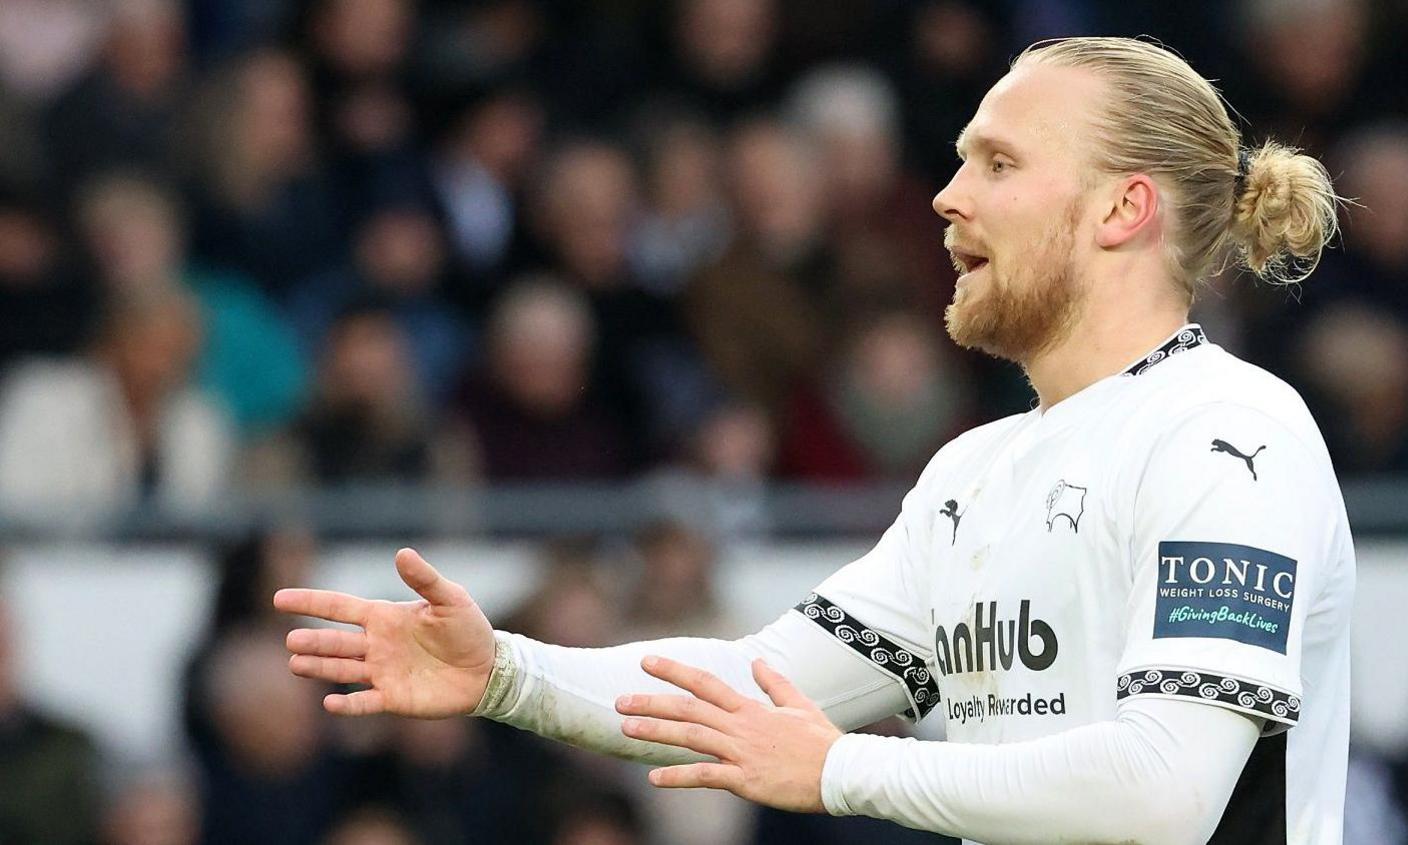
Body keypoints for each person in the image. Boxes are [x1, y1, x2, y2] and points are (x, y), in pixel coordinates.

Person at [277, 36, 1352, 844]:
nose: (945, 196)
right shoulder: (971, 474)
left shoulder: (1228, 431)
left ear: (1123, 208)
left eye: (997, 163)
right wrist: (504, 669)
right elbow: (753, 688)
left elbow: (1165, 790)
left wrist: (842, 771)